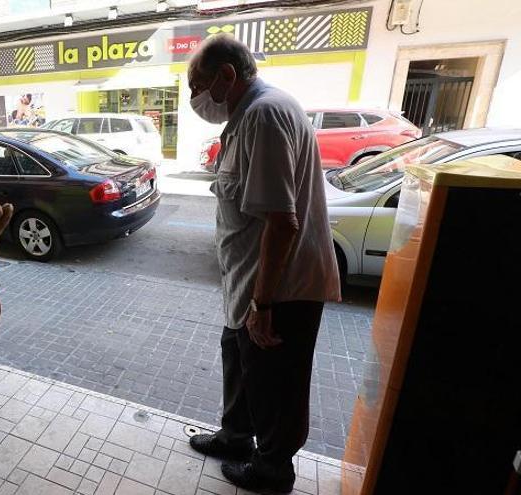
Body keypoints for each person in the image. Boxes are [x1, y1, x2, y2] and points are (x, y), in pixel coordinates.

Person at [185, 35, 341, 493]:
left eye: (199, 85)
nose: (197, 98)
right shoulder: (248, 115)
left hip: (280, 287)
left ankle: (272, 469)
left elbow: (282, 221)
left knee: (277, 383)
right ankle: (236, 437)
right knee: (238, 357)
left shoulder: (264, 115)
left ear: (227, 76)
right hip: (250, 281)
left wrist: (262, 302)